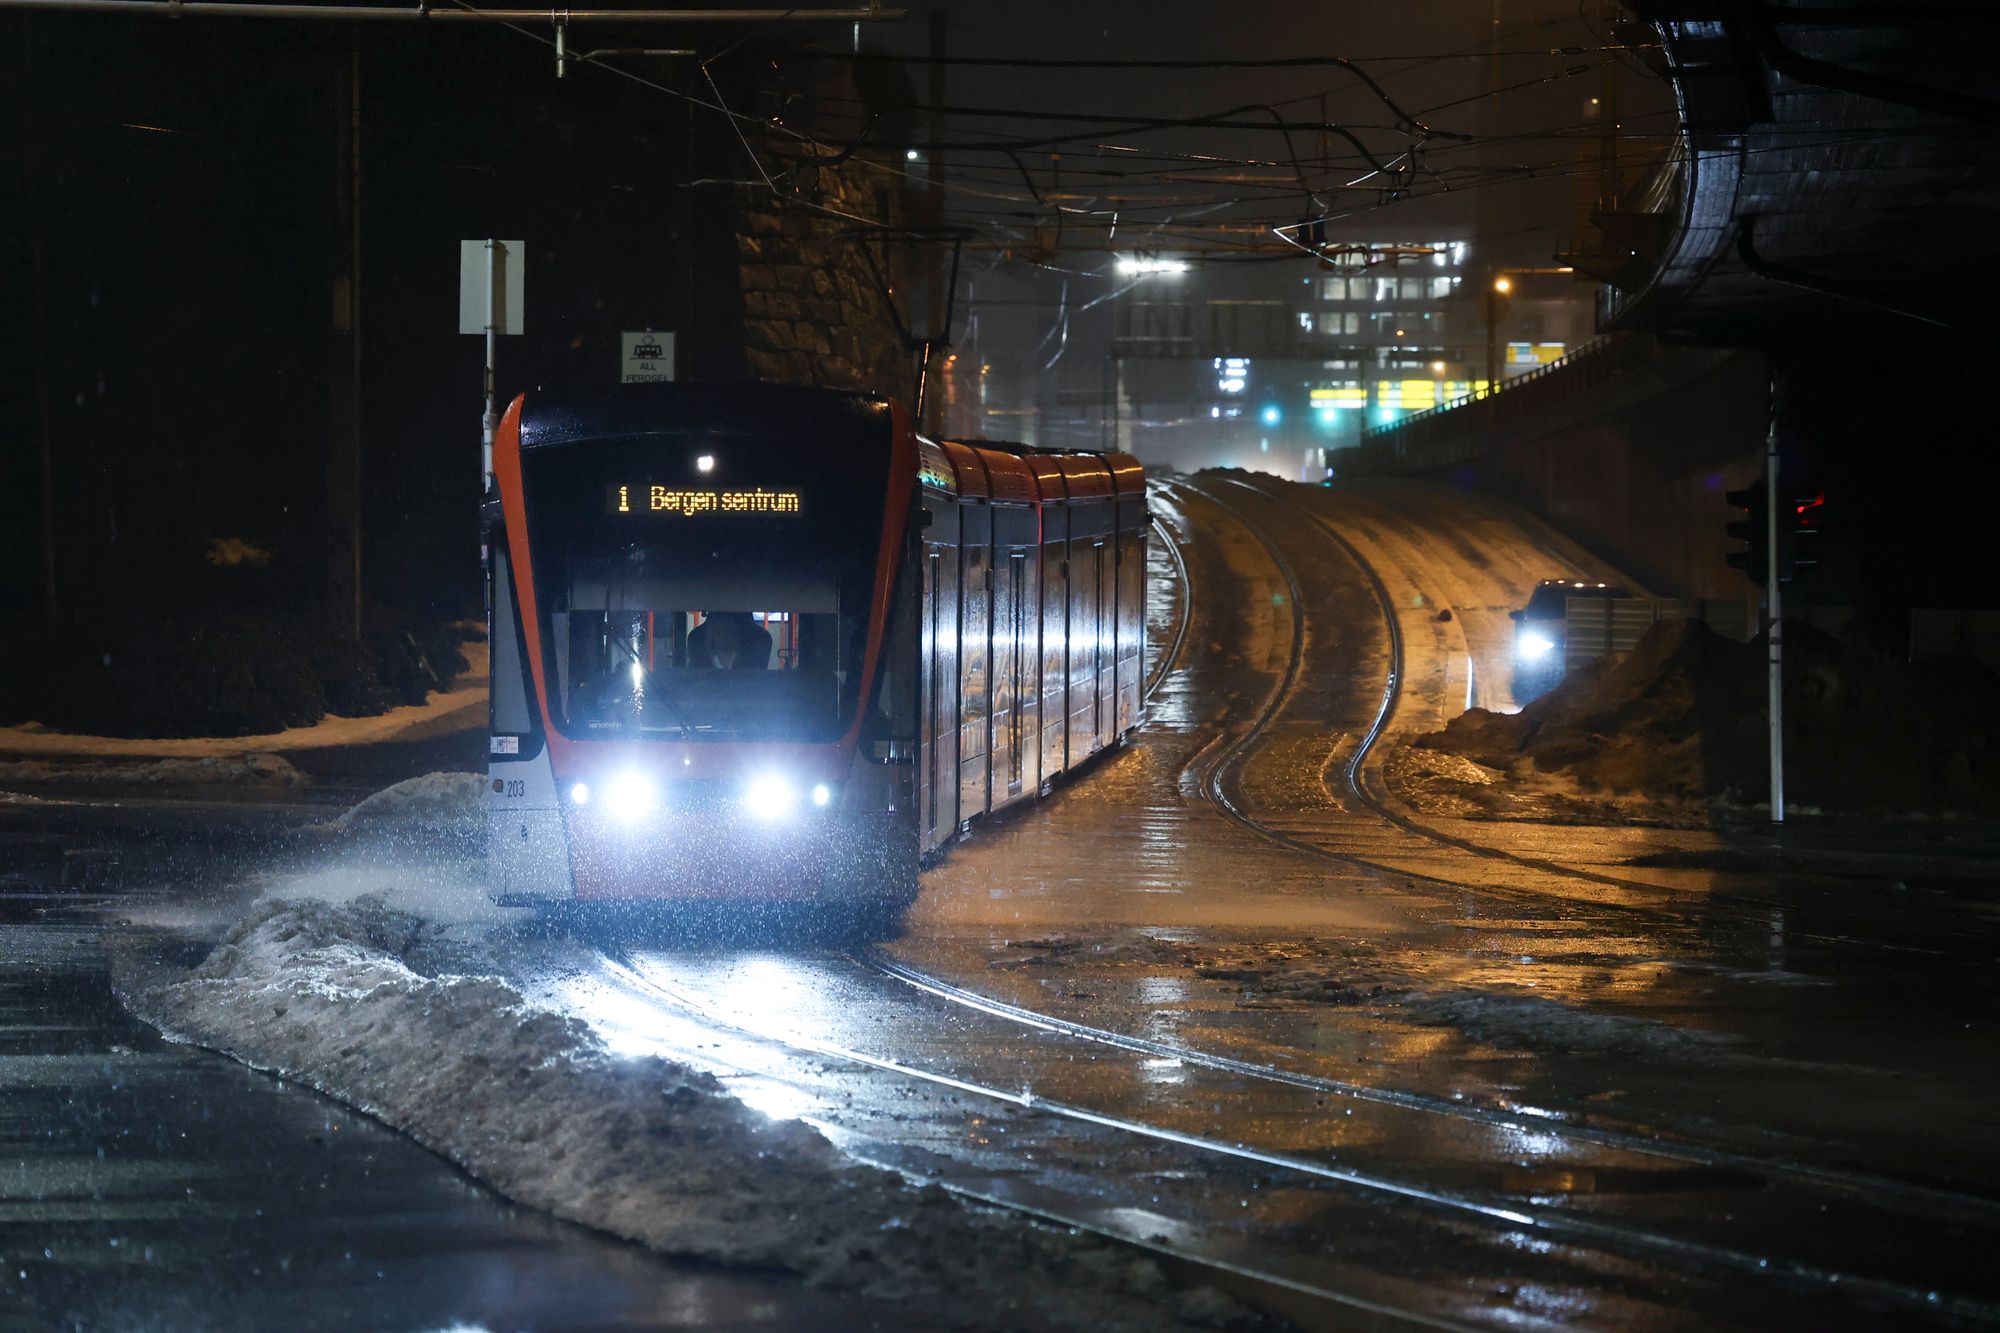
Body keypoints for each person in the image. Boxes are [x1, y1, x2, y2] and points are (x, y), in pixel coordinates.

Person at [687, 611, 773, 670]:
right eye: (719, 630)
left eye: (729, 631)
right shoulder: (698, 679)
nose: (724, 636)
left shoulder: (761, 642)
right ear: (709, 632)